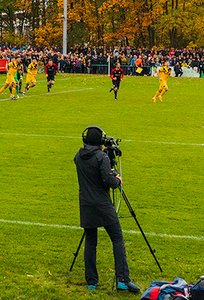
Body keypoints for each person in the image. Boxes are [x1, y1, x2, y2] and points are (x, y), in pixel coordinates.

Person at [74, 126, 140, 293]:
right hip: (102, 204)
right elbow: (108, 180)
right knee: (117, 238)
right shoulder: (101, 157)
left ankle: (91, 281)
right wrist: (117, 180)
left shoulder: (78, 156)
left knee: (90, 241)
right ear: (100, 141)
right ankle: (123, 280)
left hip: (86, 204)